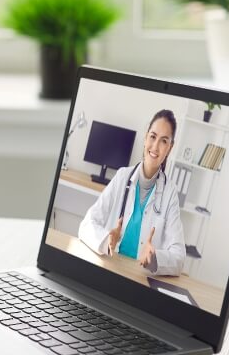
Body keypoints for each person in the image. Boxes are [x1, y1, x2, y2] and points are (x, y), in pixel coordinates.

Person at [77, 110, 186, 276]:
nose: (155, 146)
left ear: (170, 148)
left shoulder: (170, 192)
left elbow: (179, 257)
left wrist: (155, 258)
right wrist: (107, 239)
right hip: (110, 268)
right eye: (153, 136)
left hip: (140, 277)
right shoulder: (122, 176)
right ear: (145, 137)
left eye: (164, 141)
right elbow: (86, 224)